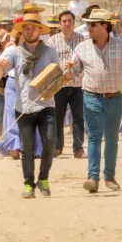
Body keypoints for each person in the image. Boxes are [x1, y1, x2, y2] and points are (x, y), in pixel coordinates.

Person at [68, 9, 122, 193]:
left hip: (115, 97)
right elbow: (73, 72)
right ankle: (93, 178)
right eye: (88, 24)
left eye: (92, 24)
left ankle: (109, 176)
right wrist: (68, 70)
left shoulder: (121, 45)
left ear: (104, 26)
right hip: (91, 97)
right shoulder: (81, 48)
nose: (89, 27)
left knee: (111, 138)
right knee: (94, 137)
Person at [0, 13, 59, 198]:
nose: (30, 31)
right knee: (27, 148)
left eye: (34, 28)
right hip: (23, 106)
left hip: (47, 105)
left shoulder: (50, 52)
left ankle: (43, 178)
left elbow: (57, 77)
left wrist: (62, 77)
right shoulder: (14, 52)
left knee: (50, 143)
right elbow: (0, 68)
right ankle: (28, 185)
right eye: (27, 28)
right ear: (22, 31)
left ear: (40, 30)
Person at [49, 10, 85, 158]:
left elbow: (86, 62)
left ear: (74, 23)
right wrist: (61, 74)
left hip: (78, 84)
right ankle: (58, 147)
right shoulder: (52, 41)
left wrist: (74, 73)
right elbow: (49, 64)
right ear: (59, 24)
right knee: (58, 117)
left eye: (70, 21)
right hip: (59, 85)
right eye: (64, 21)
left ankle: (78, 149)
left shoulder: (82, 40)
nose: (67, 24)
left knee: (78, 118)